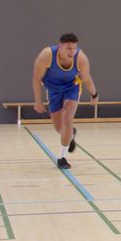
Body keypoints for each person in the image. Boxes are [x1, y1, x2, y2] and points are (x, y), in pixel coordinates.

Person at [31, 34, 98, 169]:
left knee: (67, 119)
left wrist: (94, 94)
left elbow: (86, 78)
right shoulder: (47, 55)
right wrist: (38, 101)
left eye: (74, 48)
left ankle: (62, 157)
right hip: (53, 90)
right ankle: (70, 135)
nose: (71, 52)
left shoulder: (81, 58)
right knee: (59, 128)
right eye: (68, 48)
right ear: (60, 47)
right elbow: (36, 78)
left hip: (71, 88)